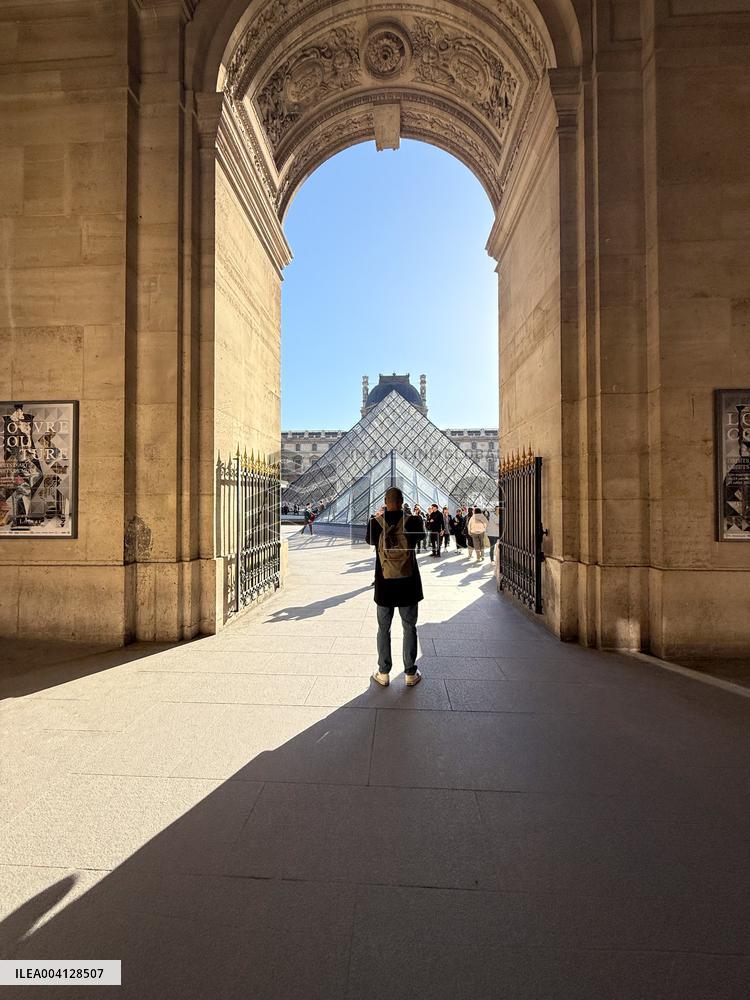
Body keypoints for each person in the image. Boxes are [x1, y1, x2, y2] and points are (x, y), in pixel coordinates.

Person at [366, 487, 424, 687]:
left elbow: (369, 541)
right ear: (402, 501)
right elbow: (421, 538)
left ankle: (383, 672)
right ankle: (410, 673)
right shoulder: (414, 521)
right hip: (408, 583)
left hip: (384, 584)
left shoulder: (375, 523)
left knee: (383, 629)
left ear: (385, 501)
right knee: (409, 627)